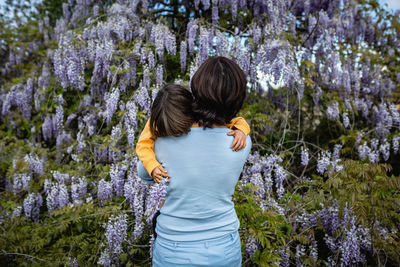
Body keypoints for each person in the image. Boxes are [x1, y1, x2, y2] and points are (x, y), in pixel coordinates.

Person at [137, 56, 251, 266]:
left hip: (173, 250)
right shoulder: (241, 140)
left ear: (196, 91)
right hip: (224, 248)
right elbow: (230, 123)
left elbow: (144, 173)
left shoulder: (163, 140)